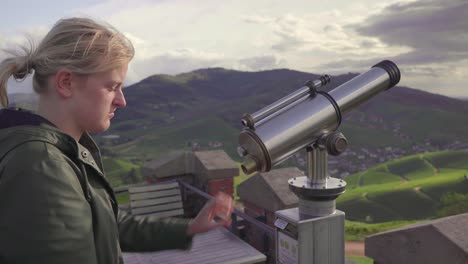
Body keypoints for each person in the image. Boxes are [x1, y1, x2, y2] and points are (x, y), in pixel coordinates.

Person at [0, 17, 233, 264]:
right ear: (66, 83)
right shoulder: (42, 165)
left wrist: (189, 228)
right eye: (112, 87)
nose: (122, 101)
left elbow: (107, 224)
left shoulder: (59, 154)